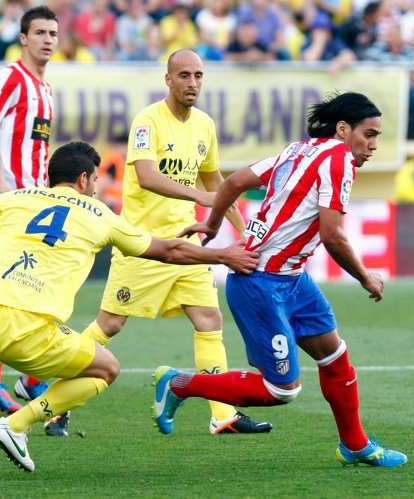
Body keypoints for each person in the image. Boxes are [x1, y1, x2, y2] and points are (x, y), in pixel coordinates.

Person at [0, 141, 260, 476]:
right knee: (106, 368)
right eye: (94, 179)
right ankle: (17, 424)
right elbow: (169, 250)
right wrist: (222, 255)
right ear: (83, 179)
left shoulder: (15, 198)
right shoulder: (99, 215)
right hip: (26, 326)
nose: (96, 186)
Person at [154, 92, 408, 468]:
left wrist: (213, 223)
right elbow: (333, 235)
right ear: (343, 129)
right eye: (368, 134)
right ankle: (180, 383)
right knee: (281, 390)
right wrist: (364, 277)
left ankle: (355, 446)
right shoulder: (339, 159)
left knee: (335, 357)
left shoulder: (297, 149)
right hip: (260, 282)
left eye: (377, 137)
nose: (373, 145)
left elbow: (235, 181)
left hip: (292, 279)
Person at [80, 49, 273, 435]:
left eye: (198, 75)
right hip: (143, 243)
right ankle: (51, 387)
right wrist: (201, 197)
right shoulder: (148, 121)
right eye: (184, 75)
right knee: (111, 324)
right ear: (168, 79)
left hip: (186, 242)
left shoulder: (204, 125)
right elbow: (148, 176)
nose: (192, 83)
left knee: (209, 319)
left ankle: (222, 415)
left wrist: (244, 228)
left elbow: (216, 181)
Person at [0, 5, 60, 429]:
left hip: (38, 203)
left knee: (33, 285)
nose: (47, 40)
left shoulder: (45, 88)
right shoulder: (10, 77)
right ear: (23, 37)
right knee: (12, 288)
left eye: (53, 34)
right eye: (40, 33)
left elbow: (37, 149)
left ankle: (25, 377)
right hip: (12, 201)